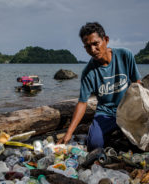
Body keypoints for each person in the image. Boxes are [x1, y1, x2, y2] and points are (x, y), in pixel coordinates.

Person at [57, 22, 141, 151]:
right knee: (94, 146)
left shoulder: (125, 55)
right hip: (105, 113)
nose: (92, 50)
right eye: (87, 46)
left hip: (126, 110)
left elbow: (137, 85)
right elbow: (82, 103)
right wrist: (68, 133)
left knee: (139, 143)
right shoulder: (88, 72)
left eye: (96, 44)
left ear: (105, 40)